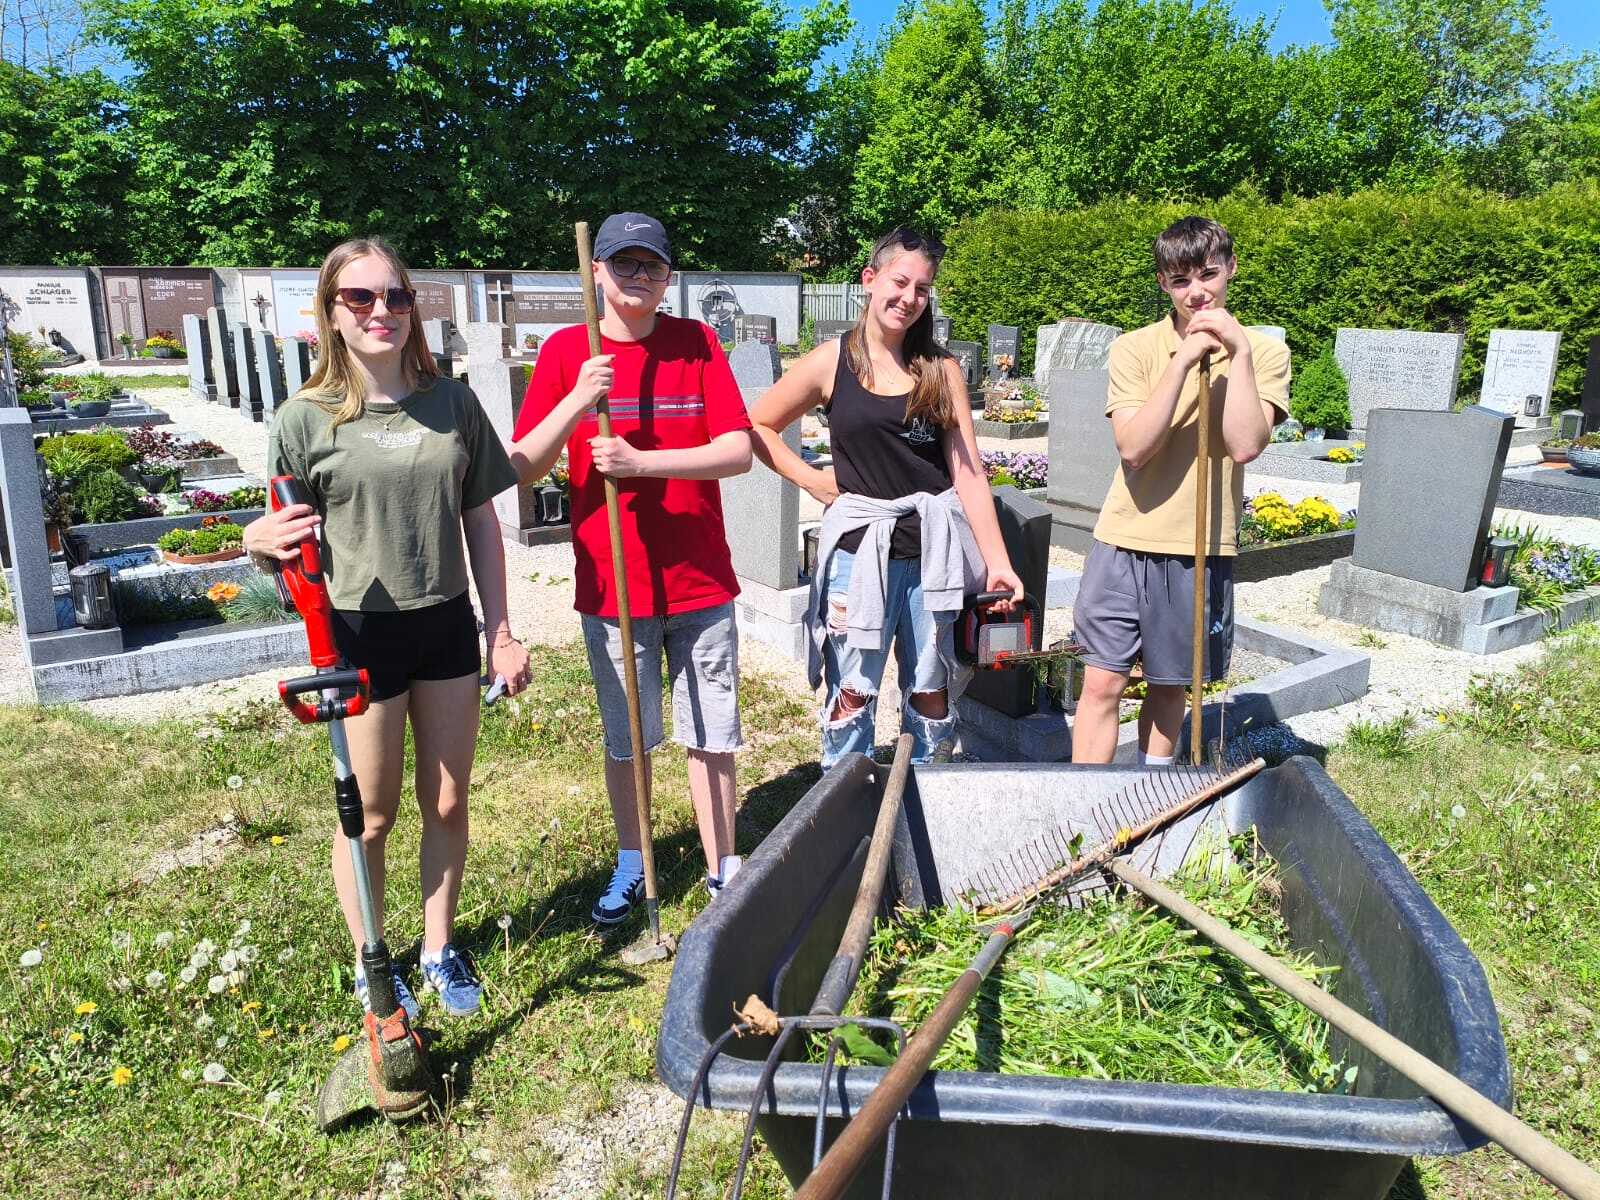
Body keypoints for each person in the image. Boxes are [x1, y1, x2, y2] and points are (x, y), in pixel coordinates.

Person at [243, 236, 528, 1019]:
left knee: (448, 801)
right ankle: (374, 957)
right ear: (332, 313)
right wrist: (255, 543)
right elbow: (283, 539)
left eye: (397, 296)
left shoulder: (453, 404)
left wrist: (501, 632)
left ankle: (438, 948)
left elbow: (480, 522)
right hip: (358, 634)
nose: (382, 311)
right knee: (370, 814)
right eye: (361, 298)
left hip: (445, 624)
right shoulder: (304, 419)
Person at [508, 212, 753, 925]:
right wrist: (578, 399)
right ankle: (632, 859)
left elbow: (737, 450)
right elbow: (523, 465)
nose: (638, 276)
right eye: (623, 263)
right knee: (629, 740)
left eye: (652, 265)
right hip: (615, 585)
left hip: (700, 579)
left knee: (712, 733)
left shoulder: (696, 343)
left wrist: (643, 462)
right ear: (597, 270)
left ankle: (722, 865)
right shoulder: (567, 353)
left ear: (668, 276)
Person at [749, 227, 1024, 767]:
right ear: (870, 280)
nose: (909, 298)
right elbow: (757, 424)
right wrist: (811, 480)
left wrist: (998, 563)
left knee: (930, 689)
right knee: (853, 690)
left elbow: (968, 474)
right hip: (859, 556)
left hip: (932, 558)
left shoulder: (941, 370)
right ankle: (847, 798)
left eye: (922, 288)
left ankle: (921, 798)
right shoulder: (832, 362)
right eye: (900, 282)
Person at [1070, 216, 1290, 765]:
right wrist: (1184, 361)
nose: (1197, 293)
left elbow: (1245, 444)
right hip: (1124, 537)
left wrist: (1237, 355)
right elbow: (1134, 447)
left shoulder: (1265, 354)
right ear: (1163, 284)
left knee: (1169, 686)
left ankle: (1153, 794)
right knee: (1101, 683)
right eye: (1180, 281)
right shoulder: (1135, 348)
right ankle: (1081, 801)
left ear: (1231, 268)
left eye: (1208, 275)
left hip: (1198, 545)